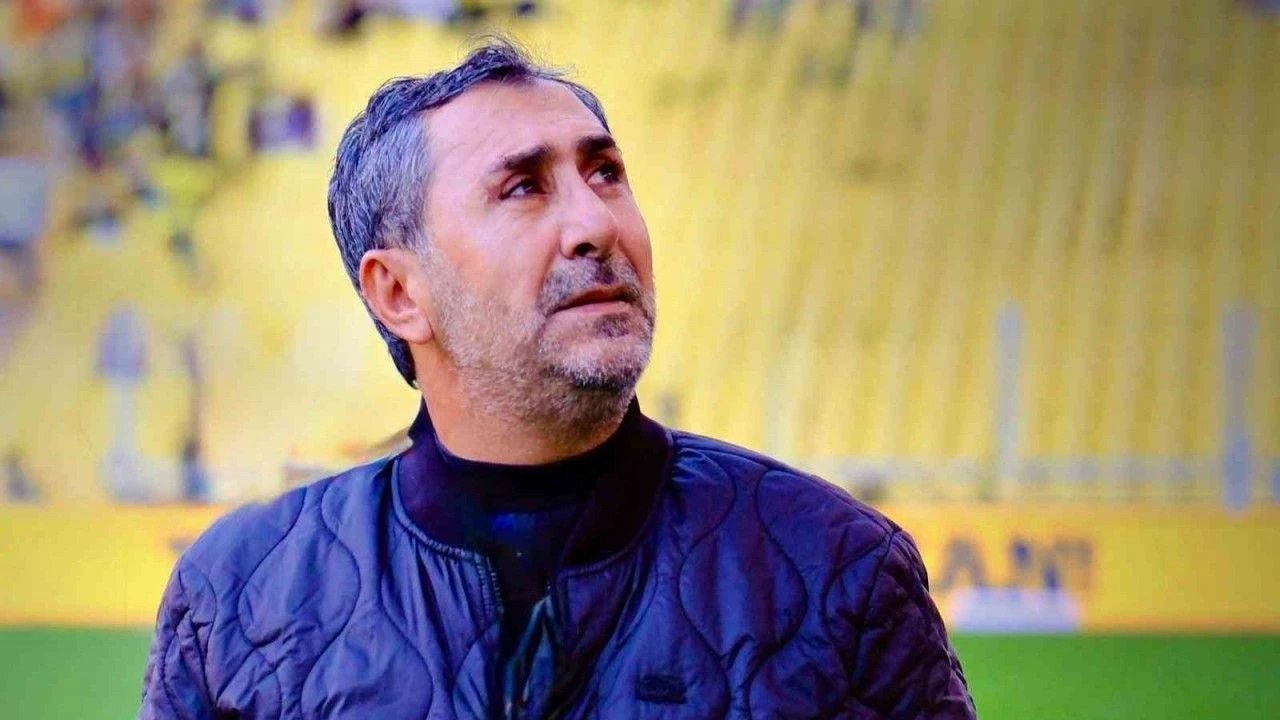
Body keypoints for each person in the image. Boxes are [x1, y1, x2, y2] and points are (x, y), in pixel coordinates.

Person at [139, 39, 976, 719]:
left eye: (605, 173)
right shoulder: (238, 599)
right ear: (398, 293)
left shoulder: (839, 572)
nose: (595, 224)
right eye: (523, 187)